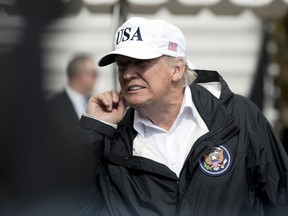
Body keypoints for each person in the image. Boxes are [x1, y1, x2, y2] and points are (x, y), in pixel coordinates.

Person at [79, 17, 288, 215]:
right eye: (122, 65)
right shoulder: (110, 138)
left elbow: (281, 197)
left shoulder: (238, 116)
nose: (127, 74)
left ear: (177, 69)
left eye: (141, 63)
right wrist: (93, 129)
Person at [46, 54, 98, 144]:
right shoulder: (52, 107)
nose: (96, 78)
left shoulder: (94, 104)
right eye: (93, 74)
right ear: (80, 75)